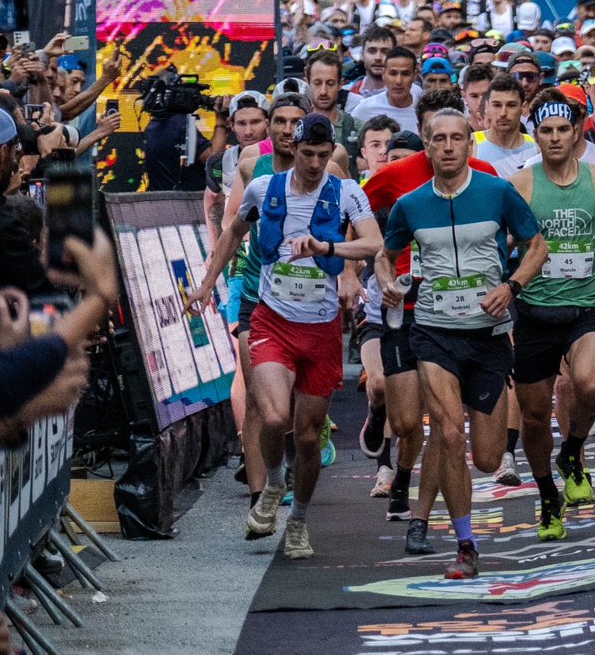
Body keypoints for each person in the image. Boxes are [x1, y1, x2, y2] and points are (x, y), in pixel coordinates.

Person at [190, 113, 381, 559]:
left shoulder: (346, 193)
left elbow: (374, 244)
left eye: (322, 154)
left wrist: (327, 249)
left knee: (309, 436)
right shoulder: (264, 189)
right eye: (307, 154)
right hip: (273, 320)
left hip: (321, 329)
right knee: (275, 418)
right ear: (293, 149)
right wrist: (205, 285)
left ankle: (298, 523)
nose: (315, 163)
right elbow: (232, 234)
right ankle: (274, 484)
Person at [375, 109, 546, 580]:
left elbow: (537, 246)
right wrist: (390, 283)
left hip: (488, 336)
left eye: (457, 139)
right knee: (448, 434)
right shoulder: (410, 204)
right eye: (439, 140)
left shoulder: (497, 192)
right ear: (427, 147)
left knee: (488, 458)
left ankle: (463, 525)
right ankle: (465, 545)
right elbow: (384, 256)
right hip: (433, 333)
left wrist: (510, 287)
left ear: (470, 145)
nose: (448, 147)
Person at [509, 90, 595, 541]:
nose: (554, 138)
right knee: (535, 418)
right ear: (534, 135)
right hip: (534, 312)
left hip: (588, 306)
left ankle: (572, 451)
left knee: (592, 383)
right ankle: (547, 496)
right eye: (545, 131)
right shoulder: (520, 184)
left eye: (562, 130)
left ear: (577, 133)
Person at [472, 74, 539, 176]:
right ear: (487, 107)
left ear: (523, 107)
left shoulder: (536, 148)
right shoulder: (471, 145)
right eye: (497, 105)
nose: (503, 113)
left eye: (511, 105)